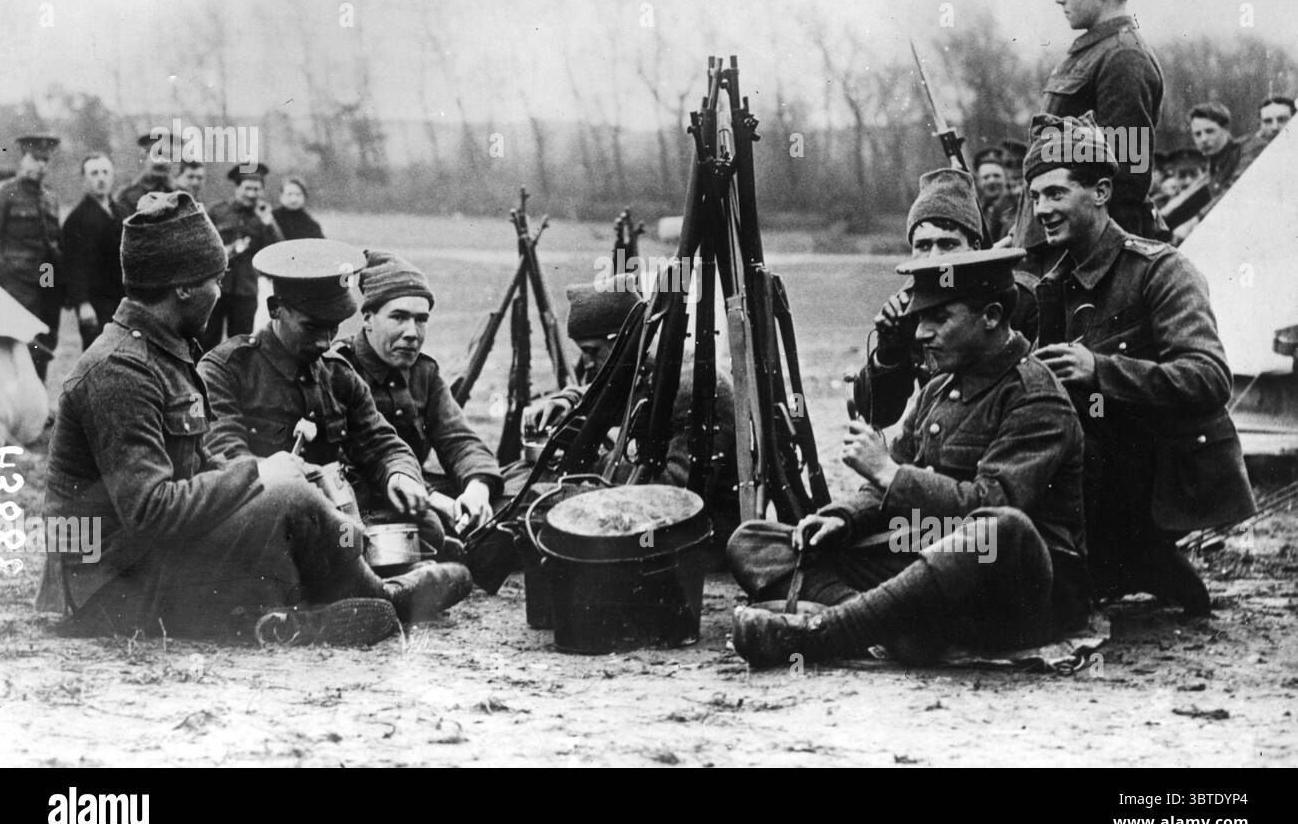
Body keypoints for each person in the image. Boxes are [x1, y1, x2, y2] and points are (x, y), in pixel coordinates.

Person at [35, 192, 468, 646]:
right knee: (285, 497)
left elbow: (198, 470)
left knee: (287, 499)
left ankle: (298, 615)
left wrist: (272, 484)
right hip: (107, 589)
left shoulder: (163, 355)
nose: (221, 292)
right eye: (215, 280)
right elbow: (150, 509)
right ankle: (369, 601)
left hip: (140, 563)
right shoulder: (121, 371)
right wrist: (261, 474)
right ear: (182, 287)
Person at [729, 247, 1089, 667]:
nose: (920, 333)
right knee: (755, 543)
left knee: (998, 528)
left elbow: (991, 504)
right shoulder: (939, 388)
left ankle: (830, 633)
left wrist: (890, 473)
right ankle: (897, 626)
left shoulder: (1035, 396)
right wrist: (842, 516)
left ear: (990, 316)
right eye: (920, 319)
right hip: (928, 566)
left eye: (939, 318)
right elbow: (888, 477)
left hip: (1017, 589)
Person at [1026, 112, 1254, 614]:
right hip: (1102, 462)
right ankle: (1108, 559)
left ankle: (1135, 554)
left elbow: (1210, 378)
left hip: (1165, 469)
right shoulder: (1051, 283)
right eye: (1036, 196)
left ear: (1101, 192)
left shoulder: (1162, 271)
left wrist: (1098, 372)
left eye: (1057, 193)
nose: (1042, 209)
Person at [197, 239, 473, 570]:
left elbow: (380, 442)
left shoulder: (337, 373)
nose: (325, 341)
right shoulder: (227, 369)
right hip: (269, 516)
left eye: (333, 328)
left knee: (426, 528)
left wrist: (400, 476)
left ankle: (376, 571)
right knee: (328, 549)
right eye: (312, 327)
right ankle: (377, 587)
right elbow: (224, 455)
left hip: (340, 517)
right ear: (275, 309)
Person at [523, 276, 741, 541]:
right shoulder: (648, 370)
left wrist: (598, 461)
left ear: (623, 340)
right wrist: (565, 400)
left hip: (701, 535)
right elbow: (609, 393)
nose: (589, 364)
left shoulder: (694, 386)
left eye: (592, 351)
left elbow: (677, 492)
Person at [1010, 0, 1166, 268]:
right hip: (1051, 249)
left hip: (1077, 262)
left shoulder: (1123, 57)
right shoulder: (1092, 53)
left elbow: (1126, 178)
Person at [332, 249, 501, 546]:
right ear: (368, 318)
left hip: (420, 494)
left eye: (421, 320)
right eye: (399, 317)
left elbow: (459, 440)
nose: (413, 332)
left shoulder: (424, 372)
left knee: (514, 497)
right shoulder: (338, 369)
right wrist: (435, 500)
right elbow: (351, 466)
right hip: (364, 498)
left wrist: (477, 489)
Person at [852, 168, 1038, 431]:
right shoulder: (909, 308)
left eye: (948, 244)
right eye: (923, 246)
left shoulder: (1020, 300)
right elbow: (879, 416)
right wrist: (889, 351)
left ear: (975, 247)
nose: (934, 259)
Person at [0, 134, 63, 380]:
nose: (41, 165)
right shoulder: (6, 194)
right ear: (23, 158)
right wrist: (4, 276)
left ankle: (39, 406)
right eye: (35, 158)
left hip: (45, 283)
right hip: (15, 284)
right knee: (16, 347)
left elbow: (54, 244)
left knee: (42, 345)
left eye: (45, 160)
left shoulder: (50, 197)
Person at [202, 163, 281, 348]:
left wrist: (269, 224)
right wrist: (230, 249)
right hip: (215, 288)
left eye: (257, 189)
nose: (252, 194)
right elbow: (203, 246)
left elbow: (276, 253)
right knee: (206, 340)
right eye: (247, 188)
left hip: (246, 291)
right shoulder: (216, 211)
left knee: (240, 344)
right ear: (237, 188)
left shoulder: (264, 217)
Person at [61, 152, 128, 351]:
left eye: (105, 172)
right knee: (97, 356)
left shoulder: (122, 213)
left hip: (123, 299)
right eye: (94, 173)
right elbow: (73, 265)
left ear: (112, 176)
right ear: (84, 178)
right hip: (95, 304)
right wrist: (82, 304)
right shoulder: (76, 219)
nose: (101, 178)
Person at [116, 132, 175, 214]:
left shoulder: (181, 193)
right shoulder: (127, 196)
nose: (162, 161)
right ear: (144, 157)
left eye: (169, 156)